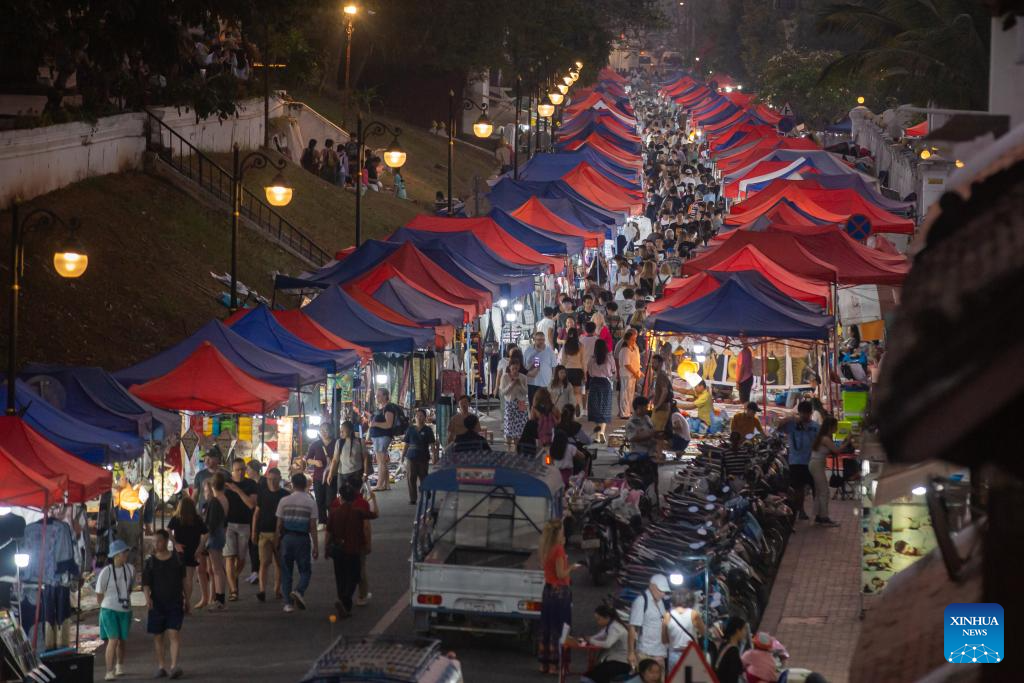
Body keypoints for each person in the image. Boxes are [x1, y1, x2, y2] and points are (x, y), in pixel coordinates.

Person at [325, 484, 379, 616]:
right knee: (354, 576)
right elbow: (375, 515)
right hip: (353, 548)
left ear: (340, 497)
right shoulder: (358, 511)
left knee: (340, 577)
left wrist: (326, 548)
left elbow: (329, 532)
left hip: (338, 549)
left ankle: (342, 599)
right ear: (354, 498)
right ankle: (345, 599)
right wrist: (373, 499)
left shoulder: (334, 512)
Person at [143, 529, 185, 679]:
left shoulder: (176, 560)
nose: (156, 544)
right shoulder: (150, 562)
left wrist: (187, 599)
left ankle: (173, 666)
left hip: (175, 601)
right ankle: (161, 666)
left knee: (174, 633)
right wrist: (147, 598)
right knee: (158, 636)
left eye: (159, 541)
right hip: (157, 603)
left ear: (166, 541)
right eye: (154, 541)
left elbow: (184, 581)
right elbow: (146, 583)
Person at [538, 519, 579, 674]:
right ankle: (556, 664)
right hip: (560, 592)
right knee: (561, 627)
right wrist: (572, 567)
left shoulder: (546, 548)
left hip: (548, 590)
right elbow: (561, 574)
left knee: (547, 626)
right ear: (558, 533)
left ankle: (544, 663)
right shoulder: (558, 550)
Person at [275, 473, 319, 612]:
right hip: (302, 539)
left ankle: (288, 604)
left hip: (287, 539)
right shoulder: (311, 502)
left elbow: (279, 524)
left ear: (292, 484)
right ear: (305, 484)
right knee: (305, 570)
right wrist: (316, 546)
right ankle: (299, 590)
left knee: (286, 572)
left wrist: (277, 541)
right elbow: (313, 526)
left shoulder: (284, 501)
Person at [777, 401, 820, 521]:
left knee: (816, 488)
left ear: (811, 413)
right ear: (799, 413)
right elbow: (778, 426)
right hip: (796, 462)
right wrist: (791, 418)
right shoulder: (792, 425)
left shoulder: (815, 426)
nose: (805, 416)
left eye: (807, 414)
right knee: (798, 489)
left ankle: (818, 513)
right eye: (803, 413)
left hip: (812, 461)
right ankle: (800, 511)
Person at [97, 540, 134, 680]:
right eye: (124, 552)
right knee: (113, 639)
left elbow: (130, 587)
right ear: (117, 555)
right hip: (109, 609)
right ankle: (109, 671)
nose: (127, 555)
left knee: (122, 640)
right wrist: (105, 605)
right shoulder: (106, 572)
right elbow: (99, 594)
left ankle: (119, 665)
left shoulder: (130, 569)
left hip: (125, 610)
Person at [223, 457, 258, 601]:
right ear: (232, 470)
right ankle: (233, 590)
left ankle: (232, 577)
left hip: (245, 524)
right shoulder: (226, 484)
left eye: (243, 469)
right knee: (230, 556)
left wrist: (237, 490)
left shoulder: (251, 484)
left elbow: (251, 504)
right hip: (229, 524)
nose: (241, 472)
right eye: (237, 470)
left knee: (242, 559)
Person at [252, 466, 288, 602]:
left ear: (280, 479)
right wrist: (253, 531)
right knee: (264, 563)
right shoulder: (262, 493)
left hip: (280, 534)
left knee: (279, 563)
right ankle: (262, 590)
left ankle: (277, 589)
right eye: (269, 479)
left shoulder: (285, 495)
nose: (272, 482)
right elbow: (256, 514)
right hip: (264, 533)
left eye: (275, 479)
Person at [167, 496, 207, 613]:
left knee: (178, 578)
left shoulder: (177, 518)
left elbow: (168, 530)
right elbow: (206, 533)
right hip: (193, 551)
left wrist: (175, 543)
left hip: (180, 551)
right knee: (189, 578)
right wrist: (200, 547)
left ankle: (179, 602)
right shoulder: (197, 519)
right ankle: (187, 602)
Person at [574, 604, 631, 683]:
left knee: (591, 677)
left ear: (607, 617)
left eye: (599, 619)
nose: (597, 622)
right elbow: (597, 636)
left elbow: (607, 644)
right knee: (590, 675)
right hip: (615, 661)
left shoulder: (615, 627)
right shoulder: (610, 625)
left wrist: (591, 640)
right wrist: (587, 639)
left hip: (622, 663)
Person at [628, 574, 670, 670]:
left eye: (664, 591)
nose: (663, 594)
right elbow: (632, 627)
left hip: (660, 652)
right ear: (652, 586)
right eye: (660, 590)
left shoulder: (660, 601)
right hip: (646, 653)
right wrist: (631, 652)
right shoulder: (641, 601)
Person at [809, 417, 842, 527]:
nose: (836, 428)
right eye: (835, 426)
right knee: (824, 491)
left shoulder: (823, 437)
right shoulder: (825, 439)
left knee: (820, 492)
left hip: (816, 464)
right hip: (817, 464)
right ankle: (824, 517)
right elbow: (836, 450)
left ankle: (818, 516)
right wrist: (847, 441)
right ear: (830, 427)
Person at [202, 474, 229, 610]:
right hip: (221, 533)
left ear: (212, 486)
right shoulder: (224, 499)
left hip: (215, 535)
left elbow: (210, 524)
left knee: (217, 569)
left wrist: (203, 541)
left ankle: (219, 599)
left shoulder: (215, 501)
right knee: (218, 568)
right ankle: (219, 598)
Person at [662, 590, 705, 674]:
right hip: (690, 654)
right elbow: (704, 632)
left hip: (674, 654)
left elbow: (664, 640)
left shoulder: (667, 615)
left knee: (675, 679)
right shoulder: (693, 614)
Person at [402, 408, 436, 505]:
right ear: (415, 417)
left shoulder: (428, 430)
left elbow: (432, 445)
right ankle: (413, 498)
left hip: (423, 456)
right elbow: (406, 444)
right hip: (411, 456)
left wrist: (434, 456)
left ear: (425, 418)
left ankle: (426, 490)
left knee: (423, 476)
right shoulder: (410, 429)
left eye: (421, 416)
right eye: (417, 416)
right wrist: (403, 456)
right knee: (411, 477)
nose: (419, 417)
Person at [369, 388, 400, 491]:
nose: (377, 397)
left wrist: (375, 424)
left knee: (381, 462)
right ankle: (386, 484)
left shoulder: (388, 407)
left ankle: (379, 485)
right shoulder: (382, 407)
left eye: (379, 395)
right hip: (378, 437)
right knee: (383, 462)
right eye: (376, 395)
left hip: (382, 437)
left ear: (385, 396)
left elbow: (388, 424)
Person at [587, 339, 616, 443]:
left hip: (594, 383)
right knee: (604, 409)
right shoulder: (609, 358)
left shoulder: (592, 359)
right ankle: (602, 432)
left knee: (595, 409)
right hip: (605, 384)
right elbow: (613, 371)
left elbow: (589, 372)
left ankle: (598, 436)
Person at [329, 419, 370, 492]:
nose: (341, 433)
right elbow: (335, 460)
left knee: (356, 495)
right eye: (340, 431)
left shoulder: (360, 441)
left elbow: (365, 458)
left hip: (356, 473)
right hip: (342, 474)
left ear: (350, 431)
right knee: (342, 495)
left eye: (343, 431)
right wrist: (330, 474)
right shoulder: (339, 442)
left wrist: (365, 474)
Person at [306, 423, 333, 525]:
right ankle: (322, 522)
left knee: (330, 501)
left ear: (331, 430)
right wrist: (315, 462)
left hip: (332, 476)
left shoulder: (336, 443)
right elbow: (308, 459)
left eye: (326, 430)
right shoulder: (315, 444)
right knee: (319, 500)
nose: (324, 432)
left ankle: (332, 521)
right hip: (318, 477)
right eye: (321, 430)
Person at [500, 358, 529, 446]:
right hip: (510, 404)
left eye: (516, 368)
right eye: (513, 369)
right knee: (508, 429)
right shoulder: (505, 377)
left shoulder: (523, 377)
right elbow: (503, 392)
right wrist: (511, 384)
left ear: (519, 367)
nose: (515, 371)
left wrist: (520, 385)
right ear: (509, 368)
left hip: (521, 404)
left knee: (519, 430)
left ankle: (517, 449)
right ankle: (508, 449)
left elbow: (526, 392)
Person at [524, 330, 557, 405]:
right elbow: (524, 366)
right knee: (532, 405)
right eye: (539, 340)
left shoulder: (549, 351)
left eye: (543, 339)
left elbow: (554, 367)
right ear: (534, 340)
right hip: (532, 383)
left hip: (545, 383)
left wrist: (553, 380)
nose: (541, 341)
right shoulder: (528, 350)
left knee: (544, 406)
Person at [559, 330, 586, 410]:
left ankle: (569, 408)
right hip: (578, 371)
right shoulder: (580, 345)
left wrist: (560, 372)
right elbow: (583, 361)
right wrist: (585, 373)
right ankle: (577, 404)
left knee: (567, 391)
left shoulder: (565, 346)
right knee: (577, 392)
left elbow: (563, 361)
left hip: (567, 371)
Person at [715, 617, 747, 683]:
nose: (745, 633)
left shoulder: (724, 644)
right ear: (738, 631)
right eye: (744, 629)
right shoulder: (733, 651)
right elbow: (732, 677)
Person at [617, 330, 642, 419]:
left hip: (632, 375)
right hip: (626, 375)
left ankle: (628, 411)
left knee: (630, 394)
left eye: (635, 339)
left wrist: (638, 371)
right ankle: (624, 413)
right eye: (632, 339)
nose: (634, 341)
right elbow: (627, 364)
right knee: (625, 394)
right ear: (627, 340)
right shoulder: (625, 350)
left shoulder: (633, 348)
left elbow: (635, 361)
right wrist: (635, 372)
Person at [650, 354, 673, 436]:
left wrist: (658, 406)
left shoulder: (661, 375)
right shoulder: (659, 375)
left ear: (660, 363)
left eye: (654, 363)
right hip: (660, 408)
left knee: (656, 433)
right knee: (655, 432)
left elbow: (665, 391)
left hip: (662, 409)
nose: (652, 365)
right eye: (652, 362)